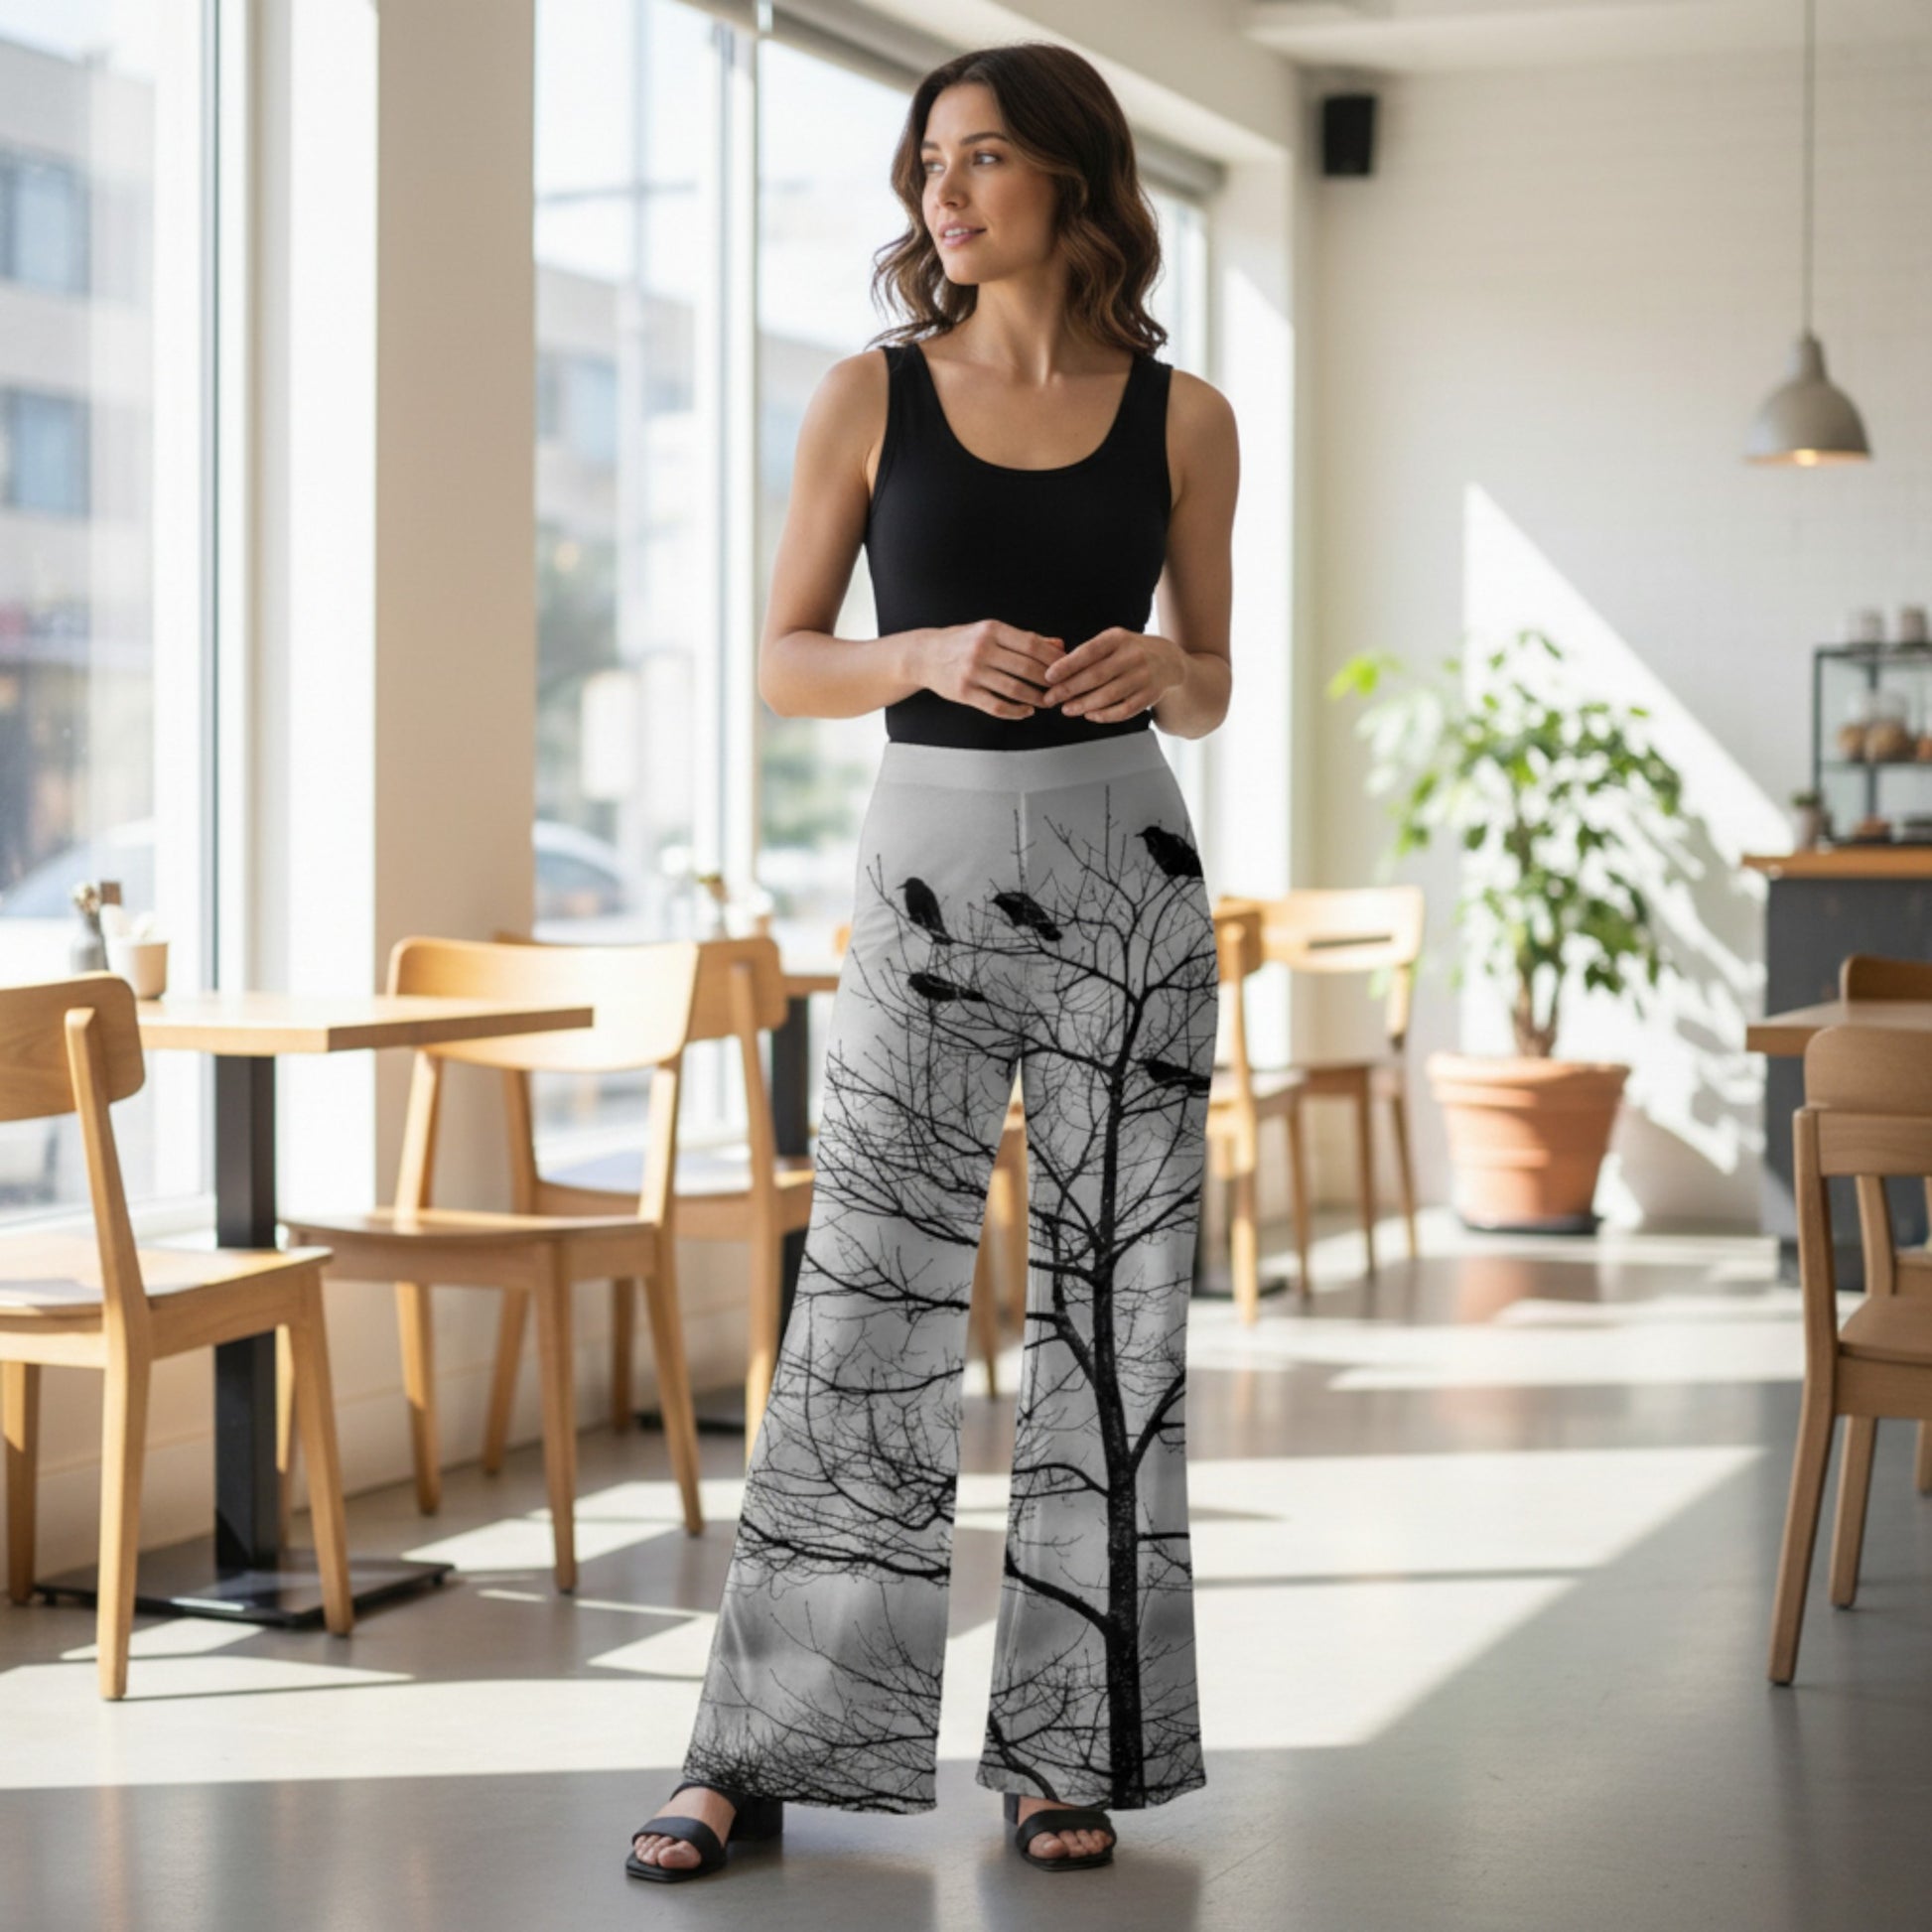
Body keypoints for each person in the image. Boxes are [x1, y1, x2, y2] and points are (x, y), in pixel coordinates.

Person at [627, 36, 1236, 1885]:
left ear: (1069, 179)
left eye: (977, 161)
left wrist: (1168, 676)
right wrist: (922, 649)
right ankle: (751, 1749)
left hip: (1130, 882)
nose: (939, 197)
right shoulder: (865, 397)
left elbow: (1212, 674)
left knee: (1112, 1329)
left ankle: (1068, 1746)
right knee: (865, 1316)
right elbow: (784, 654)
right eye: (925, 167)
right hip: (922, 885)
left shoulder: (1185, 415)